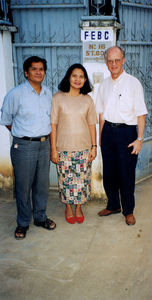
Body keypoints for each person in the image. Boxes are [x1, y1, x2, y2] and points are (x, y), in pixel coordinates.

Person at [0, 56, 56, 239]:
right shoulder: (16, 94)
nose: (39, 72)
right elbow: (7, 120)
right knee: (23, 187)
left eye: (41, 69)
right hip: (24, 146)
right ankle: (23, 223)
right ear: (26, 72)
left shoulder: (48, 93)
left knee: (42, 185)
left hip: (44, 144)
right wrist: (23, 135)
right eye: (34, 69)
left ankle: (40, 217)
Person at [95, 46, 148, 225]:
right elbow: (101, 114)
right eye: (110, 60)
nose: (114, 64)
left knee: (126, 174)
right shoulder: (103, 85)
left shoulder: (134, 83)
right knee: (109, 173)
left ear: (123, 60)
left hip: (127, 133)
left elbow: (141, 114)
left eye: (117, 60)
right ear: (106, 63)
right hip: (108, 132)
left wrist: (139, 139)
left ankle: (128, 210)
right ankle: (113, 205)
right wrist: (101, 138)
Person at [51, 64, 97, 224]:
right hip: (63, 149)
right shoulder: (58, 98)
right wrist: (53, 150)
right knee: (66, 181)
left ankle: (78, 207)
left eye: (81, 76)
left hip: (83, 149)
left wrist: (94, 146)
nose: (78, 79)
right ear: (68, 77)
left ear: (85, 80)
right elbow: (53, 125)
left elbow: (92, 124)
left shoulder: (87, 100)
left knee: (82, 181)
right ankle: (68, 207)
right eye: (74, 76)